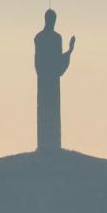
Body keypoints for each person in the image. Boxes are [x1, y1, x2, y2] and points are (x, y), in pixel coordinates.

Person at [34, 9, 75, 151]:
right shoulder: (40, 38)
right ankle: (45, 147)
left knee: (53, 113)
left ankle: (52, 147)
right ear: (46, 19)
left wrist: (69, 51)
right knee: (45, 113)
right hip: (45, 80)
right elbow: (40, 60)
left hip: (50, 80)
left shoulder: (56, 38)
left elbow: (57, 61)